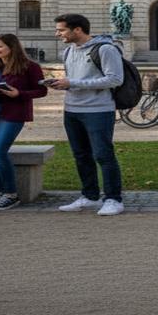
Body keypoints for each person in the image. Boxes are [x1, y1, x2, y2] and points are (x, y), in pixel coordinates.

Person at [48, 14, 125, 216]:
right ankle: (90, 196)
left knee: (103, 155)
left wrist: (73, 83)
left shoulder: (106, 49)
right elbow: (76, 80)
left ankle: (113, 199)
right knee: (81, 155)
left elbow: (115, 79)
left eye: (61, 30)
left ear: (78, 29)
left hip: (98, 110)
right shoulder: (68, 51)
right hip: (72, 109)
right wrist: (63, 84)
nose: (57, 34)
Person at [0, 33, 48, 211]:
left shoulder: (29, 67)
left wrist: (19, 94)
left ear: (11, 47)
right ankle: (2, 192)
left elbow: (41, 91)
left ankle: (10, 194)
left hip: (13, 114)